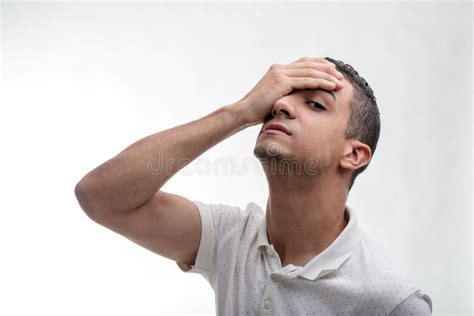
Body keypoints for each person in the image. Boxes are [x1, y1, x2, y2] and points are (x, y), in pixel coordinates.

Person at [74, 56, 433, 315]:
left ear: (354, 154)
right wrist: (239, 112)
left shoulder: (392, 300)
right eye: (281, 99)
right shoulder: (231, 239)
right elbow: (101, 196)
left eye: (314, 104)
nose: (281, 107)